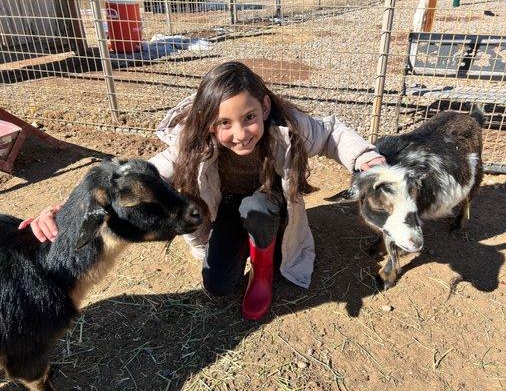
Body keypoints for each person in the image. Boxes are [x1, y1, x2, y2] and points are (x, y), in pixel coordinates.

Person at [19, 61, 386, 320]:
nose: (240, 134)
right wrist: (67, 211)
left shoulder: (286, 127)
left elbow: (333, 132)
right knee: (219, 285)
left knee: (257, 210)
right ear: (208, 122)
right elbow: (142, 177)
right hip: (225, 208)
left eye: (249, 118)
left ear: (265, 108)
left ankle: (262, 267)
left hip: (268, 202)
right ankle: (242, 242)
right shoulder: (192, 146)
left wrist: (366, 159)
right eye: (224, 123)